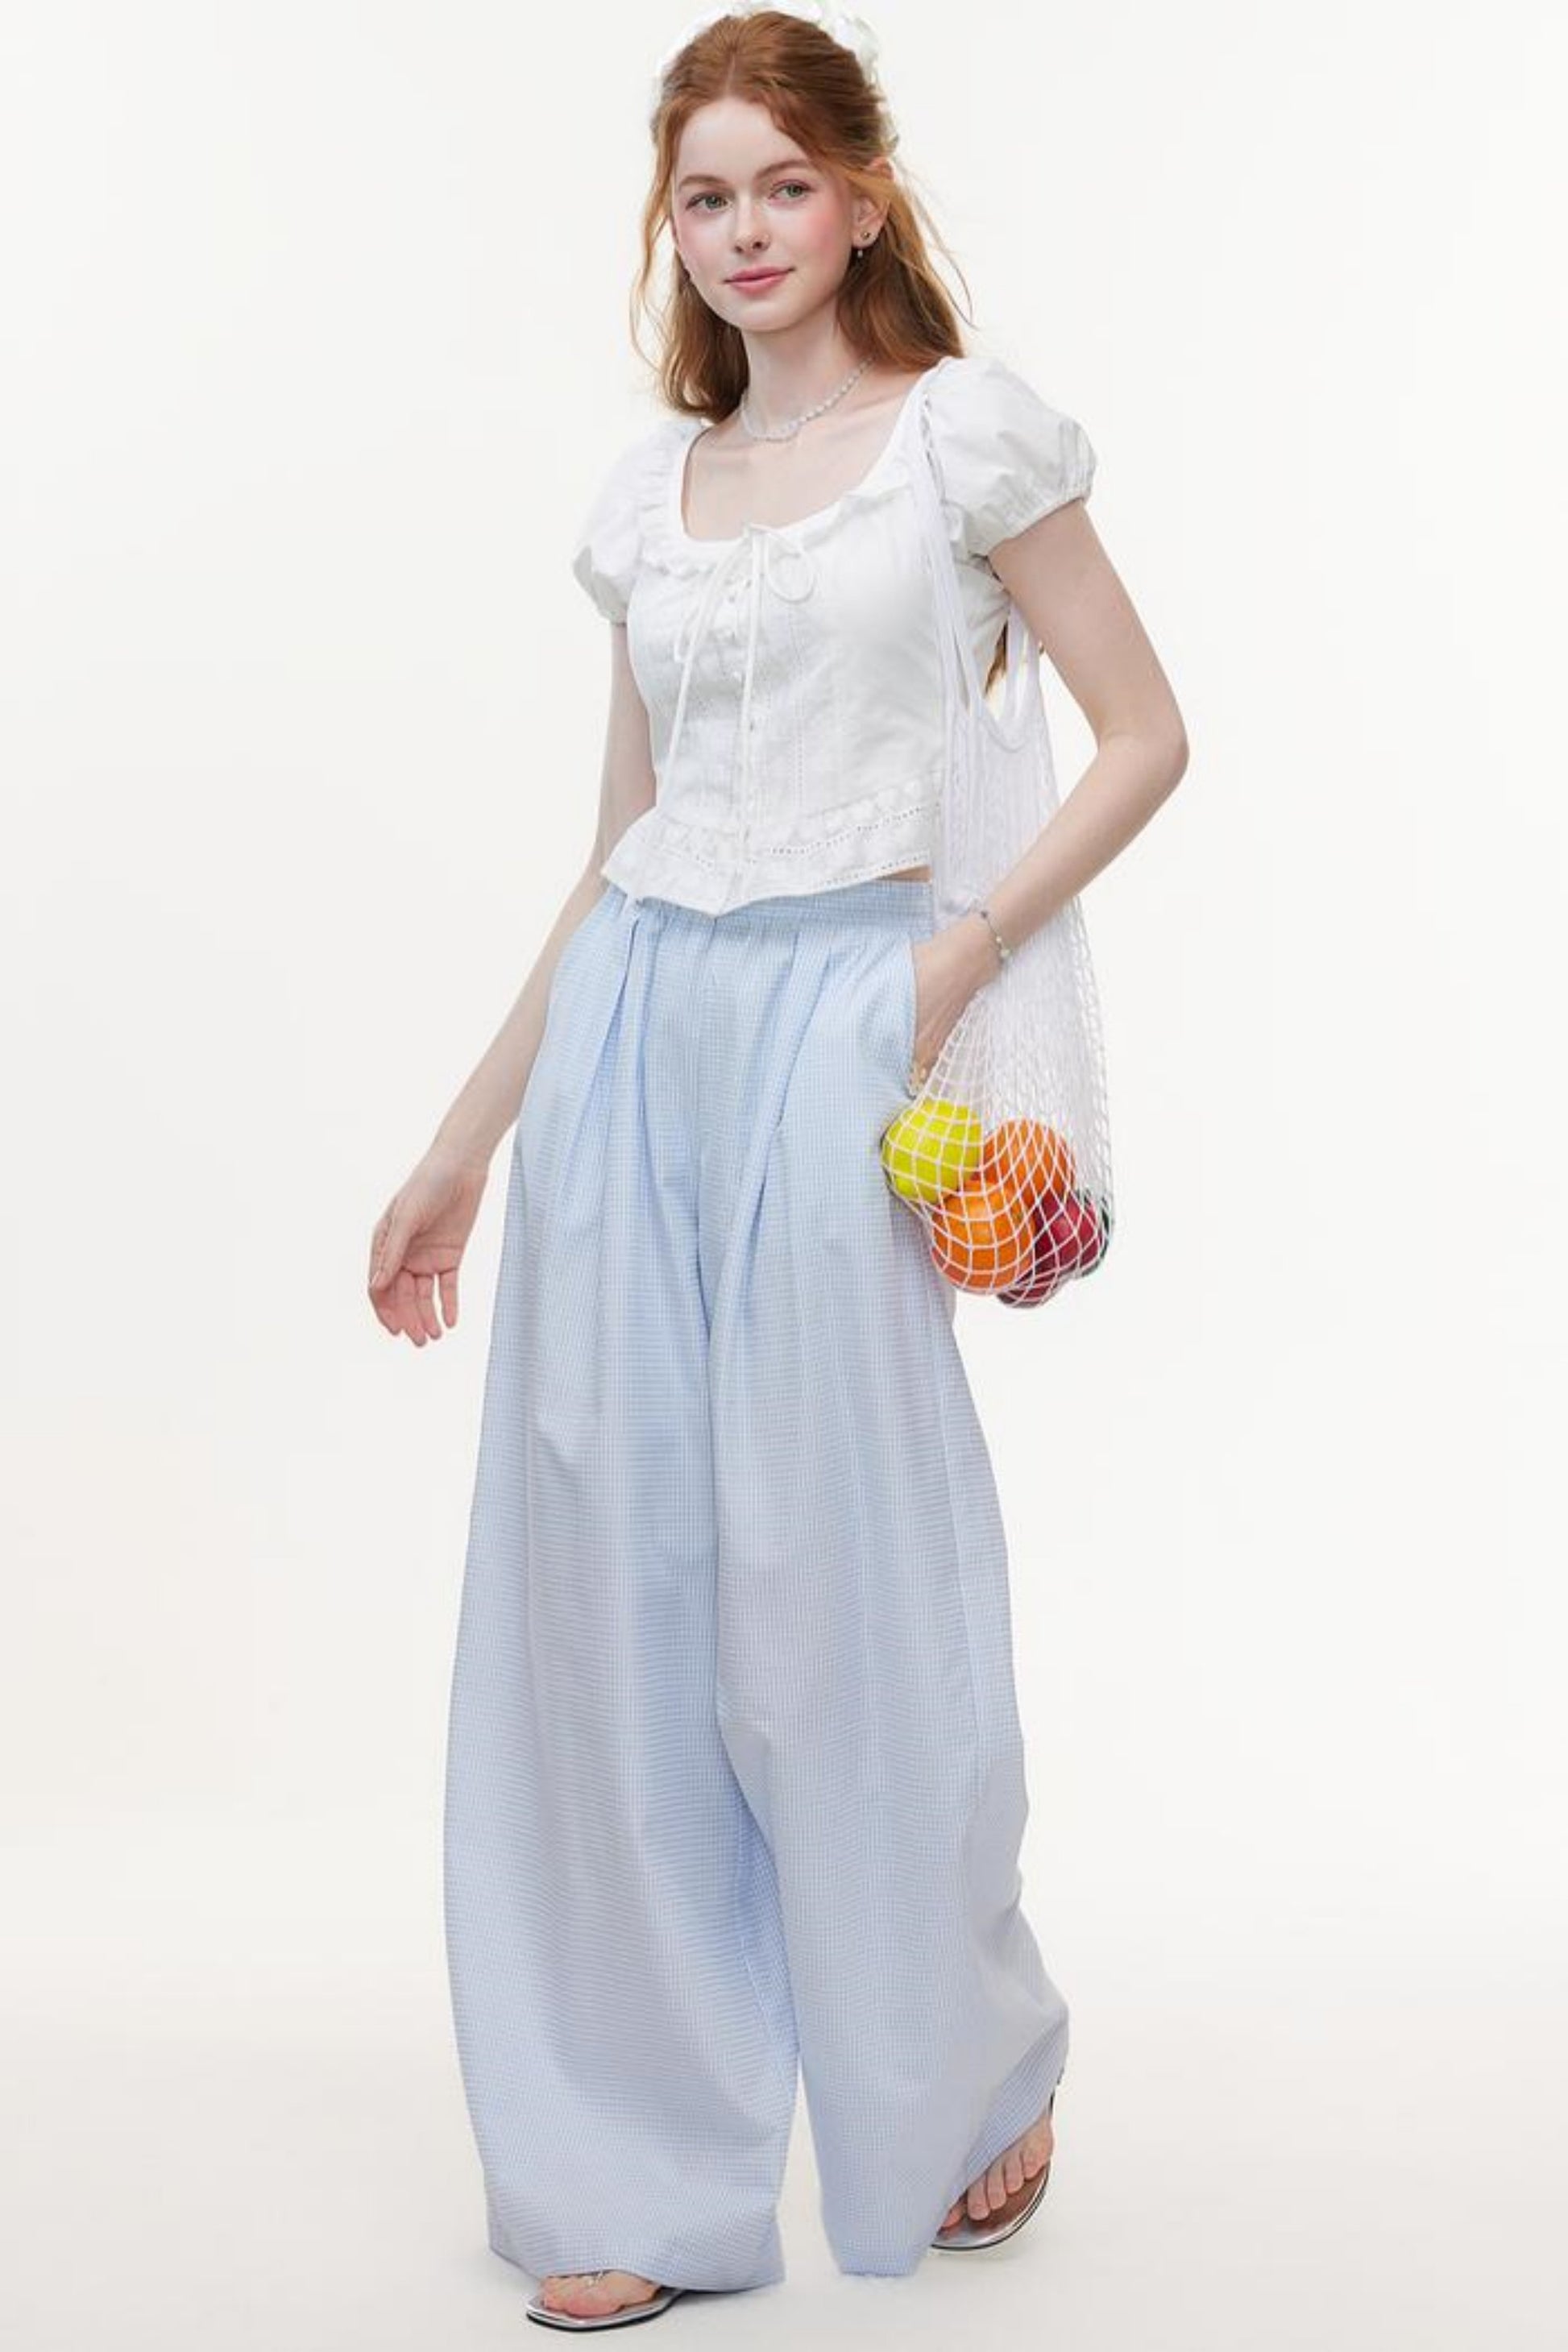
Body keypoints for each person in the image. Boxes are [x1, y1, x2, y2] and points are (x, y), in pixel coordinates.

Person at [367, 2, 1186, 2332]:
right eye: (702, 196)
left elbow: (1144, 735)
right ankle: (631, 2166)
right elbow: (616, 851)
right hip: (633, 1040)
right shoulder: (650, 497)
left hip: (846, 1027)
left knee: (849, 1585)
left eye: (780, 186)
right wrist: (461, 1143)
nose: (741, 232)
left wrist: (944, 967)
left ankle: (967, 2070)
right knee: (606, 1593)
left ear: (859, 195)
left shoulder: (965, 442)